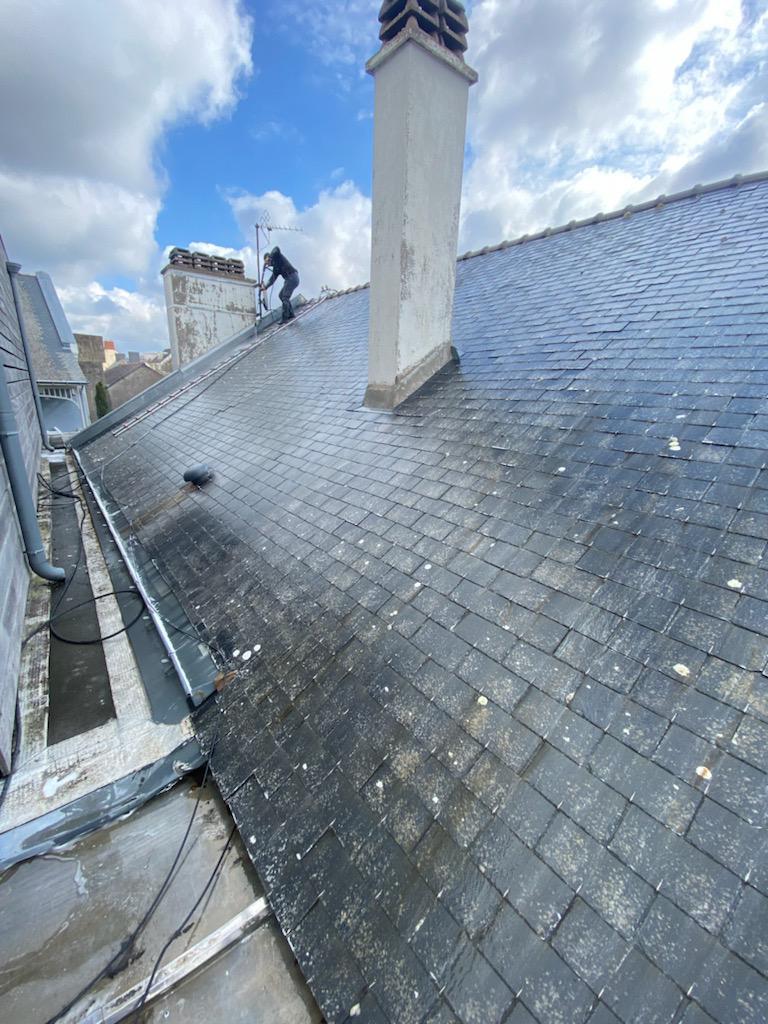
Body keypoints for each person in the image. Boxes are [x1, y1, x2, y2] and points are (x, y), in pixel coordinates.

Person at [261, 247, 300, 324]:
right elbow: (272, 279)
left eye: (268, 262)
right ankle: (291, 314)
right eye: (267, 263)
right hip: (289, 279)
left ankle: (284, 318)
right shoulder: (276, 268)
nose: (268, 264)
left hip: (292, 277)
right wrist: (265, 287)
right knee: (281, 295)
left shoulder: (277, 257)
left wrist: (270, 256)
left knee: (285, 297)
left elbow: (276, 248)